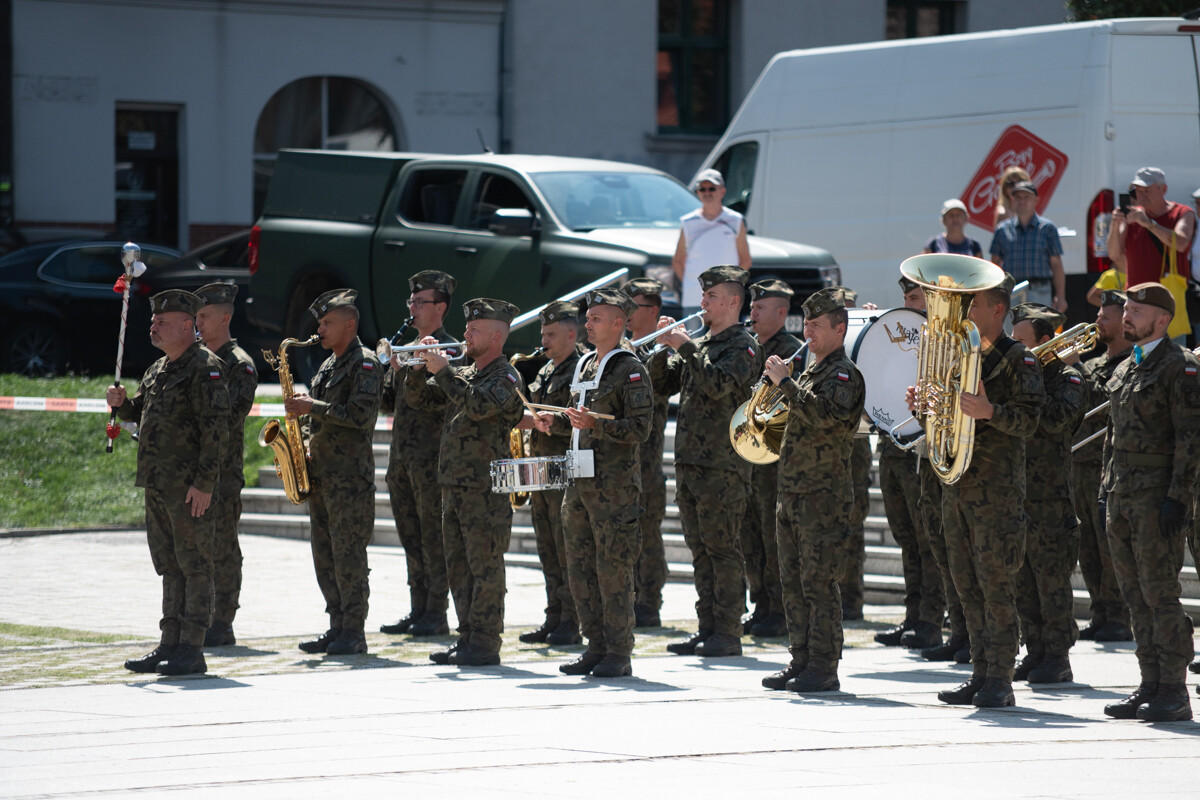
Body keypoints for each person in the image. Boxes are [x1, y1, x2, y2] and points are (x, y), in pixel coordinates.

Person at [916, 274, 1045, 708]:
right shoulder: (957, 356)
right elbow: (946, 415)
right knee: (965, 586)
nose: (965, 314)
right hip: (957, 485)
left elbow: (1030, 422)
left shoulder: (1019, 359)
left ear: (998, 311)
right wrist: (926, 407)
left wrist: (991, 411)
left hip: (997, 491)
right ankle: (979, 671)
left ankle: (1001, 680)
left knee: (995, 587)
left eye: (973, 306)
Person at [108, 290, 230, 676]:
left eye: (162, 321)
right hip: (158, 485)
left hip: (189, 488)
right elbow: (138, 413)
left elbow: (216, 432)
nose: (153, 325)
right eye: (153, 321)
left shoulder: (205, 367)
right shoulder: (158, 369)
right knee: (169, 566)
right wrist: (122, 403)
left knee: (194, 566)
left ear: (186, 325)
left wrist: (205, 483)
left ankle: (192, 648)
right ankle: (169, 644)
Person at [1100, 282, 1200, 723]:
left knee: (1160, 595)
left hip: (1156, 498)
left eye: (1137, 310)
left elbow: (1191, 440)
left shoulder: (1181, 367)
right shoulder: (1126, 368)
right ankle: (1150, 683)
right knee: (1134, 597)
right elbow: (1112, 436)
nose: (1127, 315)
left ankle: (1175, 691)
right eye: (1127, 308)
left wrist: (1178, 499)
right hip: (1122, 497)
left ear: (1163, 319)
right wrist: (1106, 489)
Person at [650, 265, 761, 658]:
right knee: (700, 549)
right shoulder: (702, 345)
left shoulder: (744, 346)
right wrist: (664, 350)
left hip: (723, 466)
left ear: (733, 301)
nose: (703, 304)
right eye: (703, 296)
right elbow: (661, 387)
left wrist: (684, 346)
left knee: (722, 549)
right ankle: (707, 627)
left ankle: (727, 632)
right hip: (691, 463)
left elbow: (718, 386)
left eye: (711, 297)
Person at [406, 298, 525, 667]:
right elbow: (421, 401)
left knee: (484, 566)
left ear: (496, 336)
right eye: (467, 328)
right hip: (454, 483)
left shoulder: (506, 377)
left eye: (474, 330)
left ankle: (486, 642)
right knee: (457, 565)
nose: (465, 335)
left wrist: (443, 370)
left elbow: (476, 406)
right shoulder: (466, 373)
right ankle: (467, 636)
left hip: (484, 487)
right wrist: (414, 367)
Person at [544, 289, 654, 678]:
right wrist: (554, 423)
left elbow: (640, 428)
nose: (587, 324)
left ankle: (618, 652)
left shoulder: (630, 368)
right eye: (587, 317)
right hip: (578, 481)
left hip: (614, 487)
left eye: (595, 318)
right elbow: (577, 419)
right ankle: (594, 644)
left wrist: (597, 427)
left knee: (613, 569)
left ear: (618, 324)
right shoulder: (586, 363)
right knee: (579, 567)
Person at [760, 287, 865, 693]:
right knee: (793, 582)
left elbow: (829, 417)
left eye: (817, 325)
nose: (808, 332)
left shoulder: (843, 375)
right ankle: (800, 659)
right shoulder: (807, 371)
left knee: (819, 584)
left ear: (839, 329)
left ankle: (824, 665)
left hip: (824, 496)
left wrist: (785, 384)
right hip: (792, 493)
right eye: (806, 324)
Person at [288, 289, 382, 657]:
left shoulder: (367, 363)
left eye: (327, 323)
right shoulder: (328, 364)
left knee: (348, 558)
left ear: (350, 324)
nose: (320, 329)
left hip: (349, 480)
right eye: (319, 323)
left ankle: (354, 632)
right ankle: (336, 625)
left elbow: (360, 417)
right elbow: (320, 420)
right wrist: (305, 445)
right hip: (322, 475)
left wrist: (313, 407)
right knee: (324, 555)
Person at [1009, 303, 1087, 685]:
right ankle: (1035, 650)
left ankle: (1057, 656)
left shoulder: (1066, 378)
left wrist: (1029, 383)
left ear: (1045, 342)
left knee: (1051, 582)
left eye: (1022, 342)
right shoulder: (1015, 374)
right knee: (1023, 581)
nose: (1016, 348)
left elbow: (1057, 421)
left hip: (1051, 497)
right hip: (1017, 492)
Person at [379, 270, 457, 638]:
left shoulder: (451, 351)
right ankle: (418, 607)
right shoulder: (408, 350)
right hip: (402, 459)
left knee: (433, 537)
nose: (412, 308)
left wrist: (416, 368)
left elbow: (441, 400)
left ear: (440, 307)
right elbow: (388, 405)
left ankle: (436, 612)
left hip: (432, 460)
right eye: (410, 302)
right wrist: (390, 371)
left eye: (420, 302)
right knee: (410, 535)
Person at [874, 277, 946, 652]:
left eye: (915, 295)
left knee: (927, 540)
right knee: (906, 540)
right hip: (894, 447)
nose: (907, 301)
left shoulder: (943, 341)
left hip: (923, 450)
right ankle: (913, 615)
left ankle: (932, 621)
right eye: (905, 296)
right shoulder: (898, 335)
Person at [193, 282, 258, 648]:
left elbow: (228, 418)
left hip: (222, 473)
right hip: (194, 470)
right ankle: (198, 615)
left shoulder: (239, 366)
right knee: (196, 548)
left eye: (203, 316)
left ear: (225, 317)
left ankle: (223, 620)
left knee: (222, 548)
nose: (197, 322)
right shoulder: (196, 358)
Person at [516, 301, 583, 646]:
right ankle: (553, 616)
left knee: (565, 547)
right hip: (541, 469)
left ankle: (572, 621)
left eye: (551, 335)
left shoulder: (580, 370)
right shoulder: (545, 371)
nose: (544, 341)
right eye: (543, 334)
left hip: (564, 471)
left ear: (572, 335)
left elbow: (579, 422)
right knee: (547, 547)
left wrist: (549, 424)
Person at [1068, 290, 1133, 643]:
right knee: (1087, 545)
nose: (1098, 322)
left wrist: (1076, 366)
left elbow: (1101, 398)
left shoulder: (1129, 364)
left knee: (1109, 545)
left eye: (1105, 317)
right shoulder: (1092, 363)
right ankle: (1099, 611)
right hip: (1079, 465)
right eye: (1098, 316)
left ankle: (1118, 615)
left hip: (1106, 467)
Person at [740, 279, 803, 637]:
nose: (753, 312)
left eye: (760, 307)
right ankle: (761, 603)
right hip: (750, 455)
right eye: (752, 306)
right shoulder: (751, 347)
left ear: (781, 312)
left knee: (770, 534)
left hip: (774, 458)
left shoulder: (791, 352)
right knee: (751, 535)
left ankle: (778, 609)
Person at [621, 277, 671, 628]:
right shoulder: (619, 348)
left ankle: (649, 601)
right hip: (621, 461)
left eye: (631, 307)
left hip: (648, 460)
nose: (623, 314)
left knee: (648, 534)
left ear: (651, 311)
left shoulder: (660, 351)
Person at [1106, 168, 1196, 343]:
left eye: (1146, 190)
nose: (1141, 195)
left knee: (1172, 360)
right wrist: (1115, 226)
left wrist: (1149, 224)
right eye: (1138, 190)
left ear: (1163, 190)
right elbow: (1114, 254)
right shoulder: (1132, 215)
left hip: (1168, 303)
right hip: (1135, 303)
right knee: (1138, 360)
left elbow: (1182, 243)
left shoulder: (1182, 213)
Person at [835, 287, 871, 621]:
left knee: (853, 523)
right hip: (830, 449)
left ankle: (852, 599)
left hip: (856, 446)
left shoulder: (865, 343)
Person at [672, 169, 751, 316]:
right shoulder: (688, 222)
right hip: (694, 300)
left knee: (726, 339)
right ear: (698, 192)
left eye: (712, 188)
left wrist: (730, 288)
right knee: (693, 339)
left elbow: (745, 260)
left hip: (726, 301)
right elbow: (678, 261)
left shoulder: (735, 220)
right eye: (703, 189)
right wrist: (693, 286)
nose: (707, 193)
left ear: (722, 191)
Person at [989, 181, 1067, 313]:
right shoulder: (1002, 230)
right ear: (1013, 201)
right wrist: (993, 295)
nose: (1022, 201)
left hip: (1039, 291)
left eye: (1026, 197)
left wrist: (1061, 297)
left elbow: (1056, 265)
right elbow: (994, 264)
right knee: (1011, 332)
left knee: (1038, 331)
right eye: (1018, 198)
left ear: (1036, 200)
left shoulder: (1047, 228)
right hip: (1011, 292)